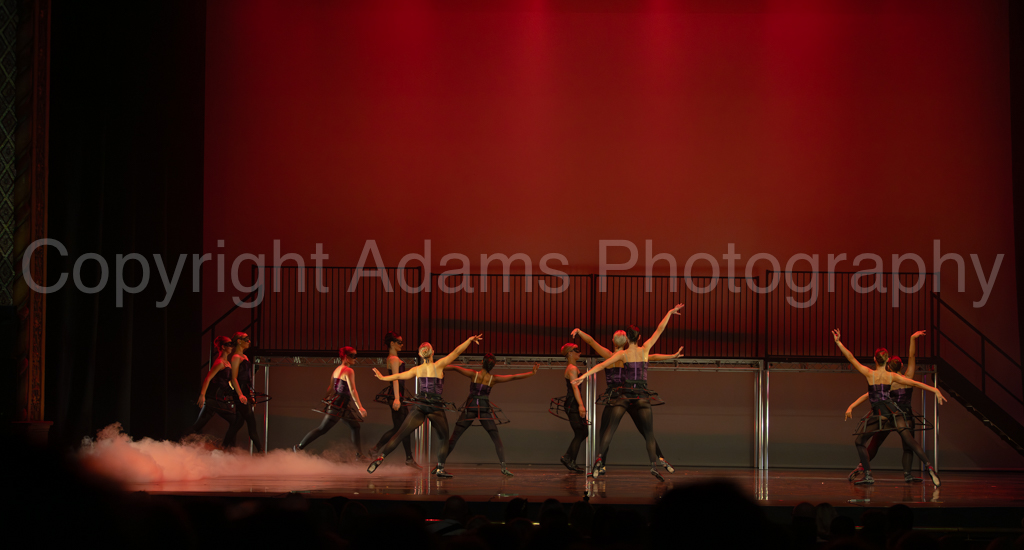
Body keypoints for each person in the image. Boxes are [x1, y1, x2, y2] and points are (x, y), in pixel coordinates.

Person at [574, 304, 684, 481]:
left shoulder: (616, 355)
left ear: (618, 340)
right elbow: (658, 334)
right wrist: (670, 314)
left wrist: (584, 375)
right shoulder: (643, 350)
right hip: (638, 395)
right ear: (637, 337)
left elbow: (596, 354)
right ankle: (656, 462)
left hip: (620, 396)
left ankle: (600, 461)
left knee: (608, 430)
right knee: (647, 431)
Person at [832, 329, 945, 486]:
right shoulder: (892, 376)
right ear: (887, 361)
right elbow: (914, 383)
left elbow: (851, 358)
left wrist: (838, 342)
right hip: (895, 411)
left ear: (875, 359)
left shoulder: (869, 373)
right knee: (909, 441)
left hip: (880, 413)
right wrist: (935, 389)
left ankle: (868, 474)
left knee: (860, 441)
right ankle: (930, 467)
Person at [367, 335, 483, 477]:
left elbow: (398, 376)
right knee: (443, 438)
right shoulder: (439, 365)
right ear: (432, 352)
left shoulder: (417, 369)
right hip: (435, 407)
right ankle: (440, 468)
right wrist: (469, 340)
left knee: (399, 434)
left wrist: (383, 378)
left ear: (420, 355)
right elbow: (456, 352)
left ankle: (381, 457)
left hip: (420, 405)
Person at [438, 354, 539, 476]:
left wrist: (437, 367)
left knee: (454, 438)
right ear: (492, 366)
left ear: (482, 362)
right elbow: (513, 377)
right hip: (483, 408)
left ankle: (440, 466)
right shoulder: (493, 379)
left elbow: (455, 368)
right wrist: (532, 373)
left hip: (471, 407)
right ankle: (503, 467)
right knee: (496, 438)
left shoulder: (473, 374)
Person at [294, 346, 367, 455]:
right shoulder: (349, 371)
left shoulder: (336, 369)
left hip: (342, 404)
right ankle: (299, 447)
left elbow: (331, 387)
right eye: (353, 356)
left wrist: (326, 397)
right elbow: (352, 390)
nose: (355, 358)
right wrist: (360, 407)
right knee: (322, 429)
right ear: (346, 357)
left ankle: (359, 455)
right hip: (339, 404)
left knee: (355, 426)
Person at [368, 331, 420, 469]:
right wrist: (397, 398)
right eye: (399, 342)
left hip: (398, 395)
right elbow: (395, 379)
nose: (402, 345)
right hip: (396, 395)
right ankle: (378, 450)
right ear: (392, 343)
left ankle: (408, 458)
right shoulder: (394, 359)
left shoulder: (392, 358)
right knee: (402, 428)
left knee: (402, 428)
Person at [185, 336, 240, 446]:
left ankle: (181, 442)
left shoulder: (227, 363)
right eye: (229, 344)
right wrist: (202, 395)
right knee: (235, 421)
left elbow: (226, 381)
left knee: (198, 426)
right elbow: (208, 378)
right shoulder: (219, 362)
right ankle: (228, 448)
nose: (232, 347)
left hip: (218, 399)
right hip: (214, 400)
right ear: (223, 347)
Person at [226, 332, 263, 453]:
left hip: (245, 391)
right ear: (239, 341)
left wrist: (250, 394)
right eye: (246, 339)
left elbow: (248, 379)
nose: (249, 341)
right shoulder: (236, 357)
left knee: (237, 423)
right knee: (251, 423)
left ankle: (223, 447)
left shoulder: (245, 357)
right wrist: (240, 394)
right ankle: (262, 452)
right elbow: (233, 378)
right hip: (240, 391)